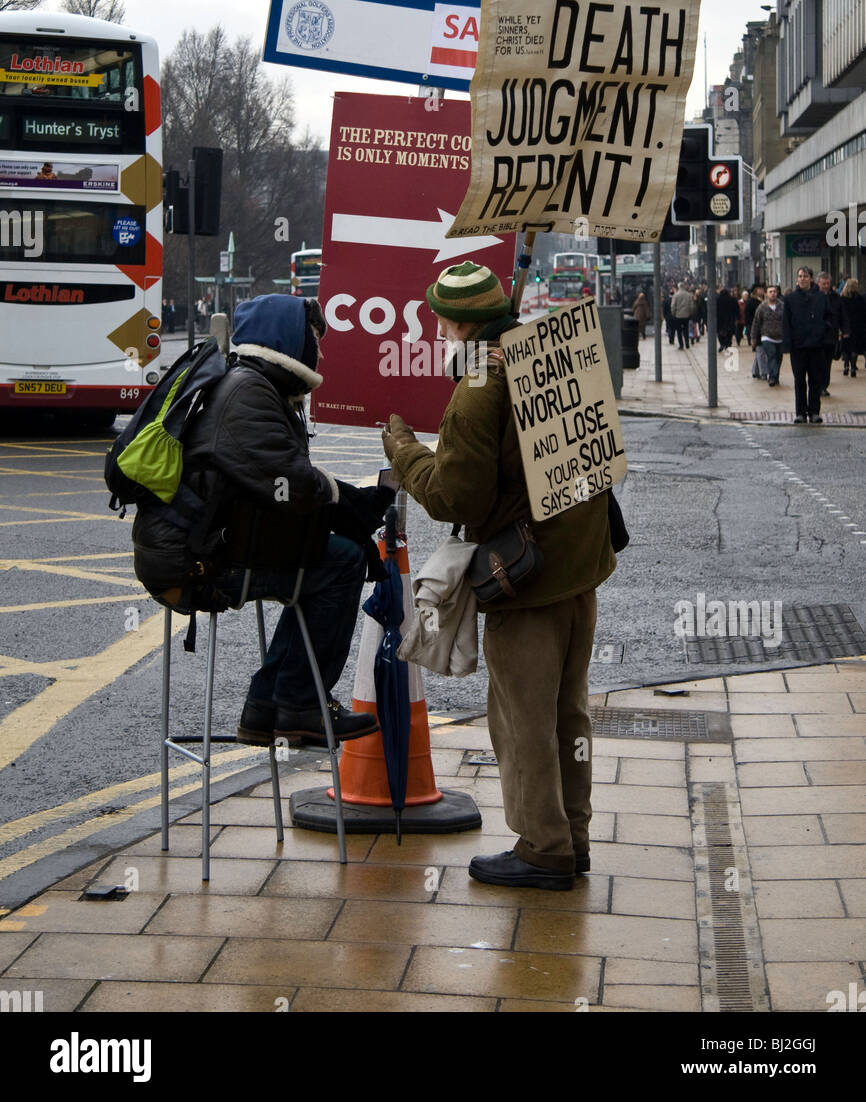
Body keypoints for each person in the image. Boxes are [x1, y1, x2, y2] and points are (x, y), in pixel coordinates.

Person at [382, 261, 616, 891]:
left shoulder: (479, 386)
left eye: (440, 315)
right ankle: (574, 833)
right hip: (580, 565)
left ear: (458, 322)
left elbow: (456, 498)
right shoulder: (553, 351)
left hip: (527, 579)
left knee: (523, 718)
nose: (437, 325)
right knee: (569, 710)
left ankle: (543, 847)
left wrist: (403, 449)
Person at [132, 294, 393, 746]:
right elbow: (291, 486)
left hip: (201, 544)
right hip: (194, 560)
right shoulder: (248, 393)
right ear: (288, 340)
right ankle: (299, 704)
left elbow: (275, 485)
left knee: (320, 559)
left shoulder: (251, 385)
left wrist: (345, 501)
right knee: (340, 563)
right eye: (315, 339)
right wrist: (344, 500)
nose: (321, 351)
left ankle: (268, 707)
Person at [782, 266, 830, 423]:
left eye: (805, 276)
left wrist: (823, 333)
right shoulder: (790, 299)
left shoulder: (821, 297)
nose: (802, 278)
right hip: (798, 346)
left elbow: (829, 318)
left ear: (811, 278)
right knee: (799, 381)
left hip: (816, 346)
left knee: (815, 380)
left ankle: (814, 411)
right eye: (800, 276)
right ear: (797, 279)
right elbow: (786, 323)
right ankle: (800, 413)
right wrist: (787, 344)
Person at [750, 284, 783, 386]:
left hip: (780, 337)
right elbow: (756, 323)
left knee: (778, 358)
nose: (773, 294)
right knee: (771, 356)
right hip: (767, 337)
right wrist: (753, 337)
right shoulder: (762, 307)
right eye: (770, 292)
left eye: (774, 291)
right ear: (766, 294)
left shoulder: (782, 306)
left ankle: (776, 376)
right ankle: (772, 377)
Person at [817, 272, 842, 396]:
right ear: (818, 284)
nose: (826, 286)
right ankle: (817, 385)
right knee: (818, 363)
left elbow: (842, 314)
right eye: (823, 284)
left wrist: (845, 330)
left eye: (828, 283)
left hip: (831, 336)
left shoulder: (836, 297)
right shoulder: (813, 296)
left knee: (827, 363)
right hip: (817, 337)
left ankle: (824, 386)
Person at [840, 278, 866, 377]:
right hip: (857, 326)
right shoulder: (860, 299)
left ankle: (846, 365)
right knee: (854, 348)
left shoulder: (842, 298)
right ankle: (854, 367)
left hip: (846, 326)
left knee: (845, 347)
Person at [670, 282, 694, 350]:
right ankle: (687, 344)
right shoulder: (689, 295)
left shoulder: (676, 295)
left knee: (679, 331)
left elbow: (673, 306)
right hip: (686, 316)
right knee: (686, 330)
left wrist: (673, 313)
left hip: (678, 316)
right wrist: (690, 313)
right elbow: (692, 306)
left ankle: (681, 345)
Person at [716, 287, 738, 352]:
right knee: (729, 333)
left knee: (720, 333)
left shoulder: (718, 300)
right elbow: (736, 309)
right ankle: (728, 344)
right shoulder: (732, 299)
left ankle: (722, 343)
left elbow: (715, 310)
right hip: (730, 319)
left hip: (720, 319)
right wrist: (737, 317)